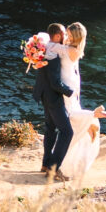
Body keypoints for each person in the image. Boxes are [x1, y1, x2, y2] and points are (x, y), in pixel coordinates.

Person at [54, 22, 106, 182]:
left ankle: (92, 117)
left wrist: (37, 45)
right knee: (69, 117)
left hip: (69, 84)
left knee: (70, 116)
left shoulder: (71, 49)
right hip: (71, 81)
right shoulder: (74, 47)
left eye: (71, 36)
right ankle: (89, 124)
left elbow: (53, 48)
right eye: (68, 34)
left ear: (77, 38)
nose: (67, 37)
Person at [29, 21, 73, 181]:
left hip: (42, 93)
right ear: (57, 35)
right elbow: (55, 82)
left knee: (50, 129)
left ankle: (45, 164)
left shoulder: (43, 48)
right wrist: (70, 91)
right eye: (64, 34)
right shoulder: (53, 53)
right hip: (53, 97)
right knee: (67, 132)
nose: (65, 37)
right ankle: (53, 168)